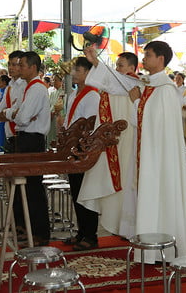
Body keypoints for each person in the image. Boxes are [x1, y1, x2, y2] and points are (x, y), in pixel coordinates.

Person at [127, 41, 186, 263]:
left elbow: (153, 122)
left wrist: (135, 102)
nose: (144, 59)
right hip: (151, 155)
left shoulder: (166, 90)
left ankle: (168, 246)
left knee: (165, 196)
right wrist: (138, 102)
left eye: (147, 55)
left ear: (161, 59)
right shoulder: (151, 86)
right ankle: (152, 246)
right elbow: (143, 122)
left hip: (163, 159)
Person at [82, 49, 140, 239]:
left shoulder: (134, 82)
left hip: (127, 140)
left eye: (120, 65)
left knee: (127, 182)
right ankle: (121, 226)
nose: (117, 69)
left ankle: (128, 227)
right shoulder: (120, 82)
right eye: (116, 66)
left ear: (132, 67)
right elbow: (110, 80)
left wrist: (97, 62)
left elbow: (111, 79)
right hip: (117, 140)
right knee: (119, 181)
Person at [12, 51, 51, 246]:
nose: (19, 69)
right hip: (26, 137)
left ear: (33, 67)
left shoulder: (37, 88)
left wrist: (19, 116)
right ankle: (31, 229)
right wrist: (19, 115)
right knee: (28, 188)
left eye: (23, 65)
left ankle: (40, 233)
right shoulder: (30, 87)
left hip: (32, 139)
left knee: (34, 188)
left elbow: (22, 117)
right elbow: (20, 115)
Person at [62, 57, 101, 251]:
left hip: (83, 148)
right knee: (77, 192)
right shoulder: (76, 94)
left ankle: (90, 235)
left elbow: (90, 124)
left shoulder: (93, 95)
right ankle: (81, 231)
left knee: (85, 192)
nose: (73, 73)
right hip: (73, 146)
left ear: (88, 72)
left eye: (77, 70)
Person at [0, 50, 26, 153]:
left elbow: (21, 115)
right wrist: (10, 114)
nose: (10, 68)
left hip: (24, 137)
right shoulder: (10, 86)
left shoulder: (26, 86)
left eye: (14, 65)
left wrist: (6, 113)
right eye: (9, 64)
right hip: (9, 137)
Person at [47, 73, 65, 148]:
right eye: (53, 80)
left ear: (61, 81)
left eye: (56, 80)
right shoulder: (52, 93)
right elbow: (49, 105)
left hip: (58, 118)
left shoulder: (63, 93)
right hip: (50, 119)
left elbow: (61, 107)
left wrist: (54, 113)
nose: (53, 82)